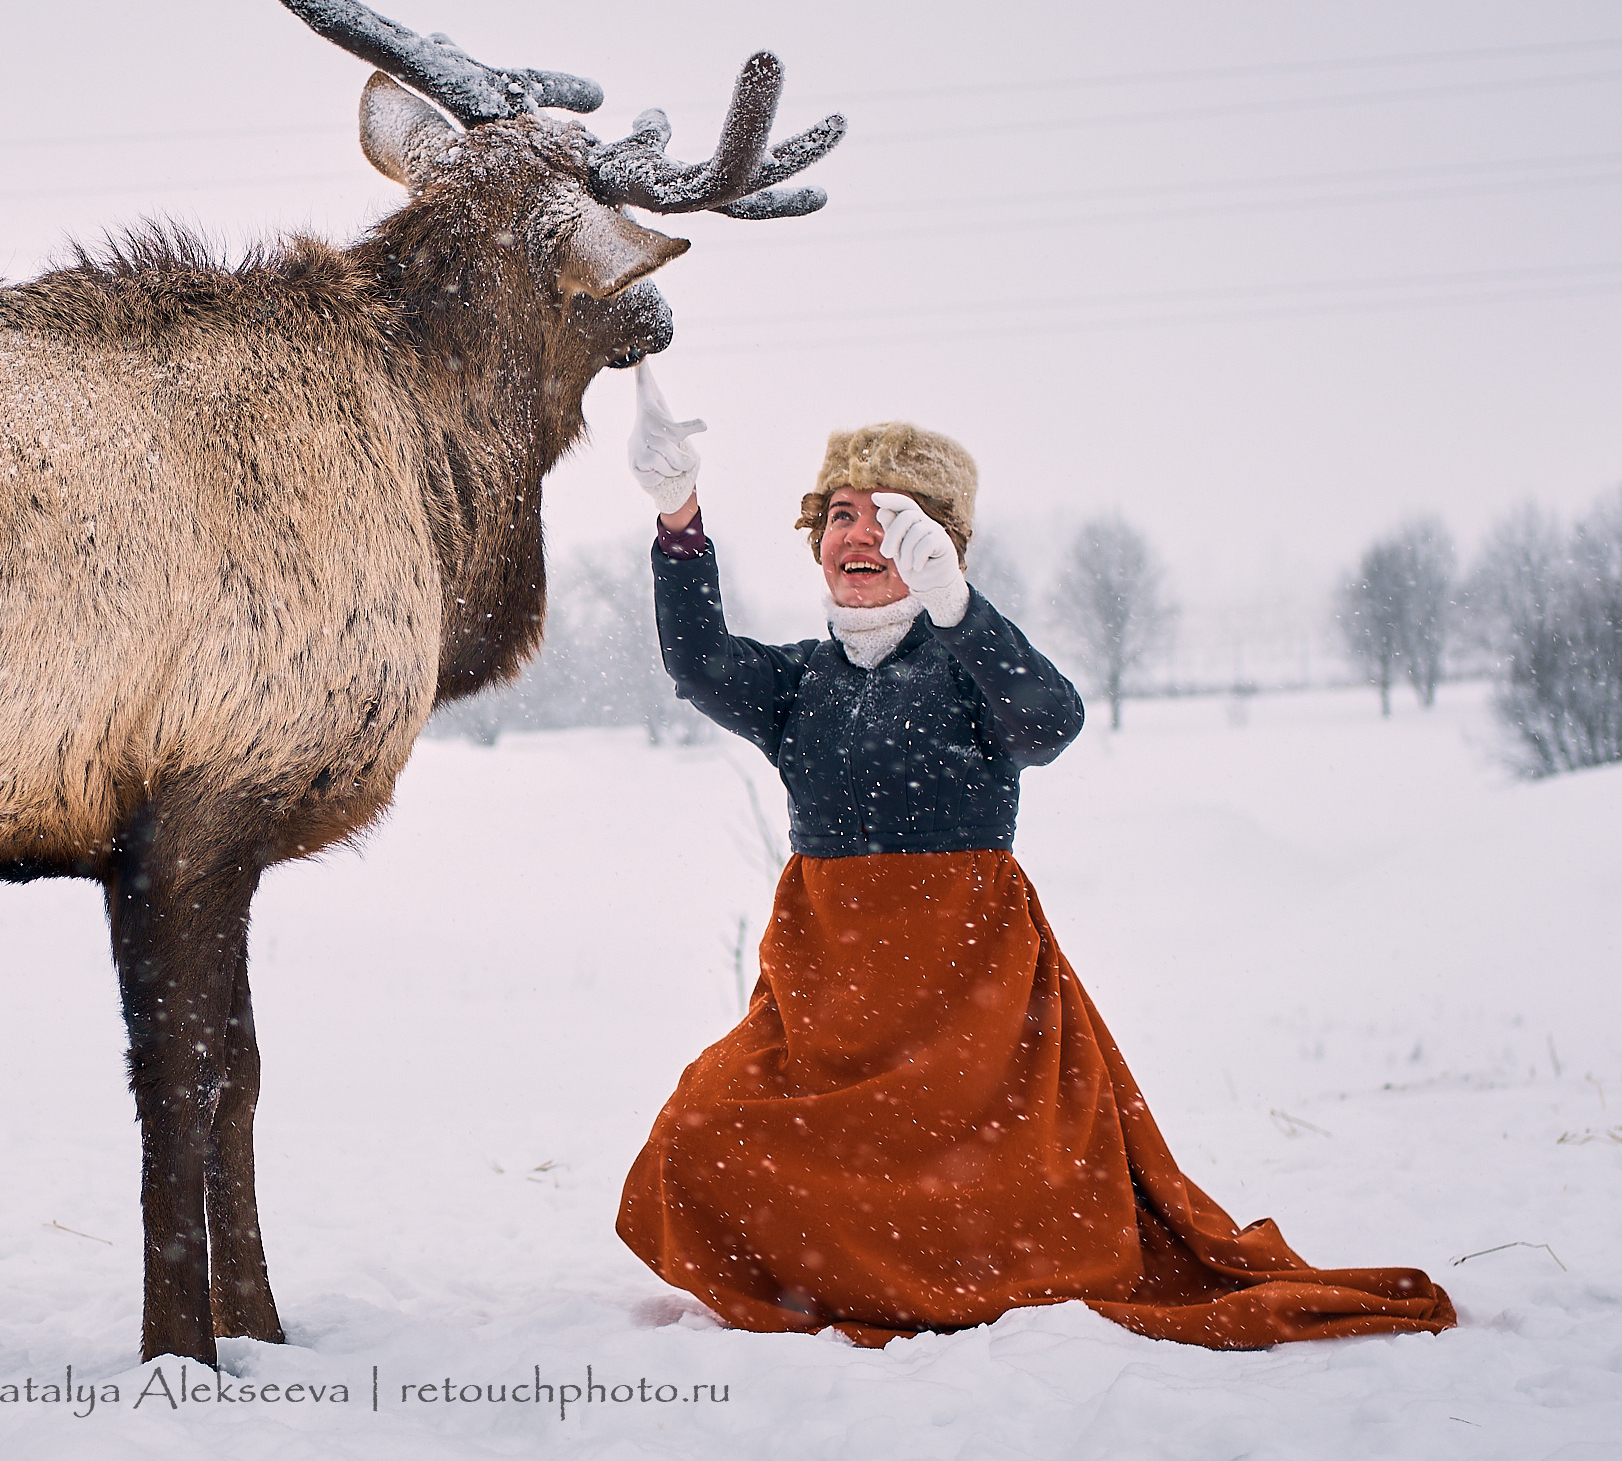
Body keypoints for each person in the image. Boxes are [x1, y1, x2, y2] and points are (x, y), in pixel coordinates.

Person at [609, 366, 1454, 1348]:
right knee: (699, 1136)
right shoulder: (796, 685)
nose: (860, 535)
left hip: (976, 1002)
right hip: (828, 995)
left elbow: (1052, 721)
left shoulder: (970, 667)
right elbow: (698, 663)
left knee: (1013, 1189)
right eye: (841, 514)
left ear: (941, 546)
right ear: (816, 539)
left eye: (894, 517)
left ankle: (928, 1281)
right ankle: (843, 1277)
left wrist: (961, 609)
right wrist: (678, 518)